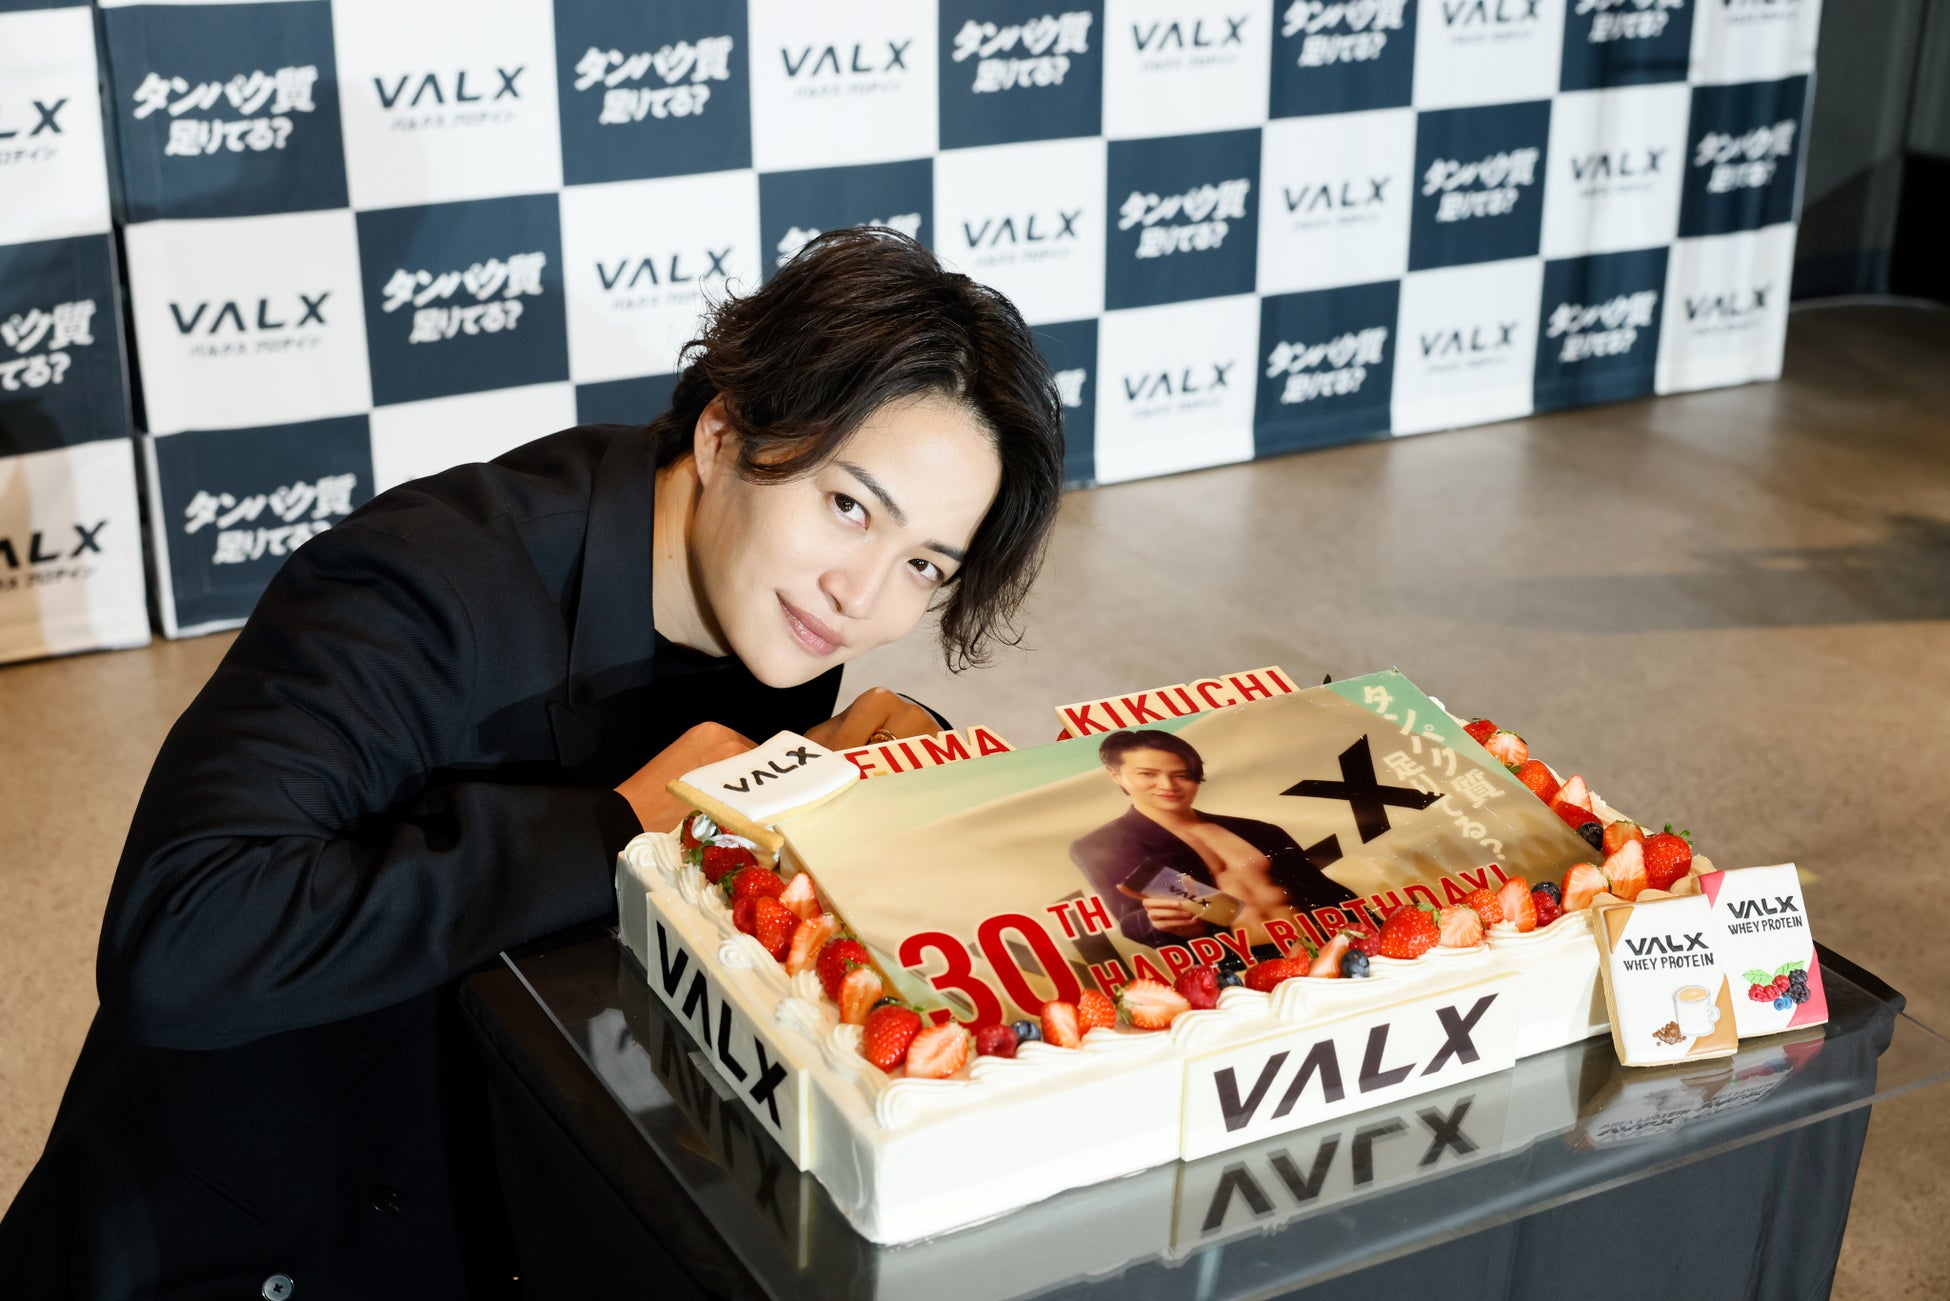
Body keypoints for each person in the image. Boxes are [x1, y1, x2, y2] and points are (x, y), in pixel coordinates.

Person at [0, 228, 1064, 1297]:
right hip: (238, 1235)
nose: (861, 596)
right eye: (848, 506)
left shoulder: (778, 610)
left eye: (924, 564)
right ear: (724, 433)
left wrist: (854, 779)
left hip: (507, 1175)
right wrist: (614, 826)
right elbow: (179, 937)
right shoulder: (427, 581)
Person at [1069, 729, 1357, 949]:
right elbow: (1130, 920)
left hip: (1324, 942)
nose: (1167, 786)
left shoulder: (1260, 831)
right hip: (1240, 965)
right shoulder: (1101, 845)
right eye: (1148, 774)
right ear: (1115, 774)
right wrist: (1164, 923)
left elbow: (1325, 891)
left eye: (1181, 775)